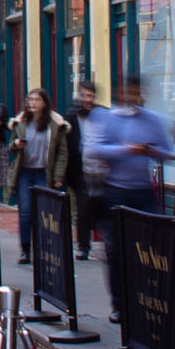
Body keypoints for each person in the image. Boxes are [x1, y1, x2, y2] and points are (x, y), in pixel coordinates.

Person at [93, 74, 175, 322]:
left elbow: (168, 152)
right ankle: (118, 304)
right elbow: (95, 149)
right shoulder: (108, 118)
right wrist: (127, 149)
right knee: (116, 250)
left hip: (143, 192)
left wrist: (151, 150)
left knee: (153, 248)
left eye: (137, 92)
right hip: (116, 191)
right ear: (121, 93)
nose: (134, 97)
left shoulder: (152, 121)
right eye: (129, 92)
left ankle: (151, 299)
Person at [10, 87, 58, 267]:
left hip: (43, 172)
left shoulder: (52, 125)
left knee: (43, 212)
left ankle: (44, 248)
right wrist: (16, 145)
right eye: (30, 100)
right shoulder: (21, 122)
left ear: (44, 103)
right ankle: (25, 249)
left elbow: (61, 152)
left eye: (36, 100)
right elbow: (11, 146)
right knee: (25, 211)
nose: (32, 103)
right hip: (25, 172)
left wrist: (58, 176)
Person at [69, 83, 105, 260]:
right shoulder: (72, 117)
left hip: (102, 171)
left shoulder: (103, 115)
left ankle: (108, 243)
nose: (88, 100)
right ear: (80, 97)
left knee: (103, 207)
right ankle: (83, 246)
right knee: (82, 210)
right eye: (85, 96)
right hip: (81, 171)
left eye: (91, 96)